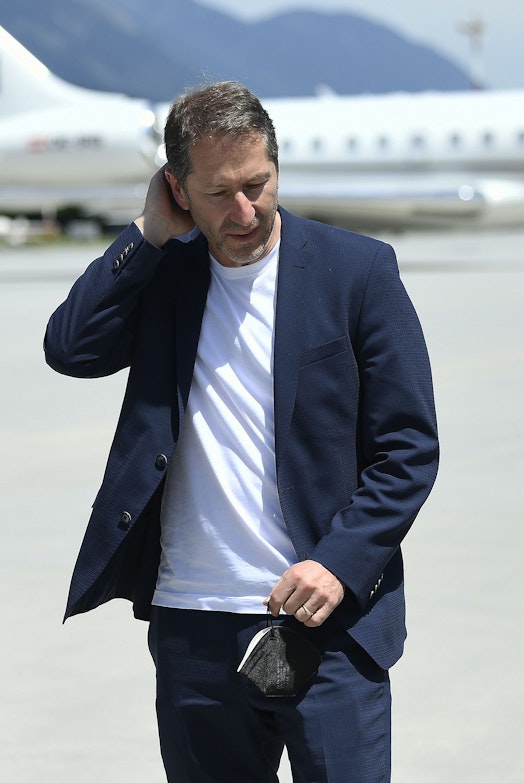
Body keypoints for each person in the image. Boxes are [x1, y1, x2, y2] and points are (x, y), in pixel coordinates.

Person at [44, 81, 438, 782]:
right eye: (220, 191)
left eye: (259, 183)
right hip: (191, 621)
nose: (246, 209)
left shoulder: (357, 271)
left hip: (327, 619)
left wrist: (340, 563)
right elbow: (71, 347)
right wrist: (146, 234)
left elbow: (408, 448)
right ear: (178, 188)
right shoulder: (168, 274)